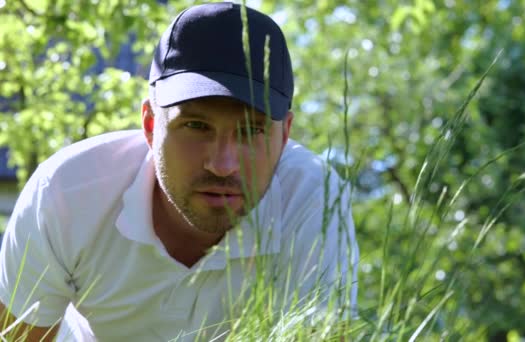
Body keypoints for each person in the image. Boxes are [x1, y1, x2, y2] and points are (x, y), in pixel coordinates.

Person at [0, 3, 358, 341]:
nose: (223, 164)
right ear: (151, 125)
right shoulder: (66, 193)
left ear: (285, 136)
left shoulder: (314, 199)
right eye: (197, 126)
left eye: (251, 131)